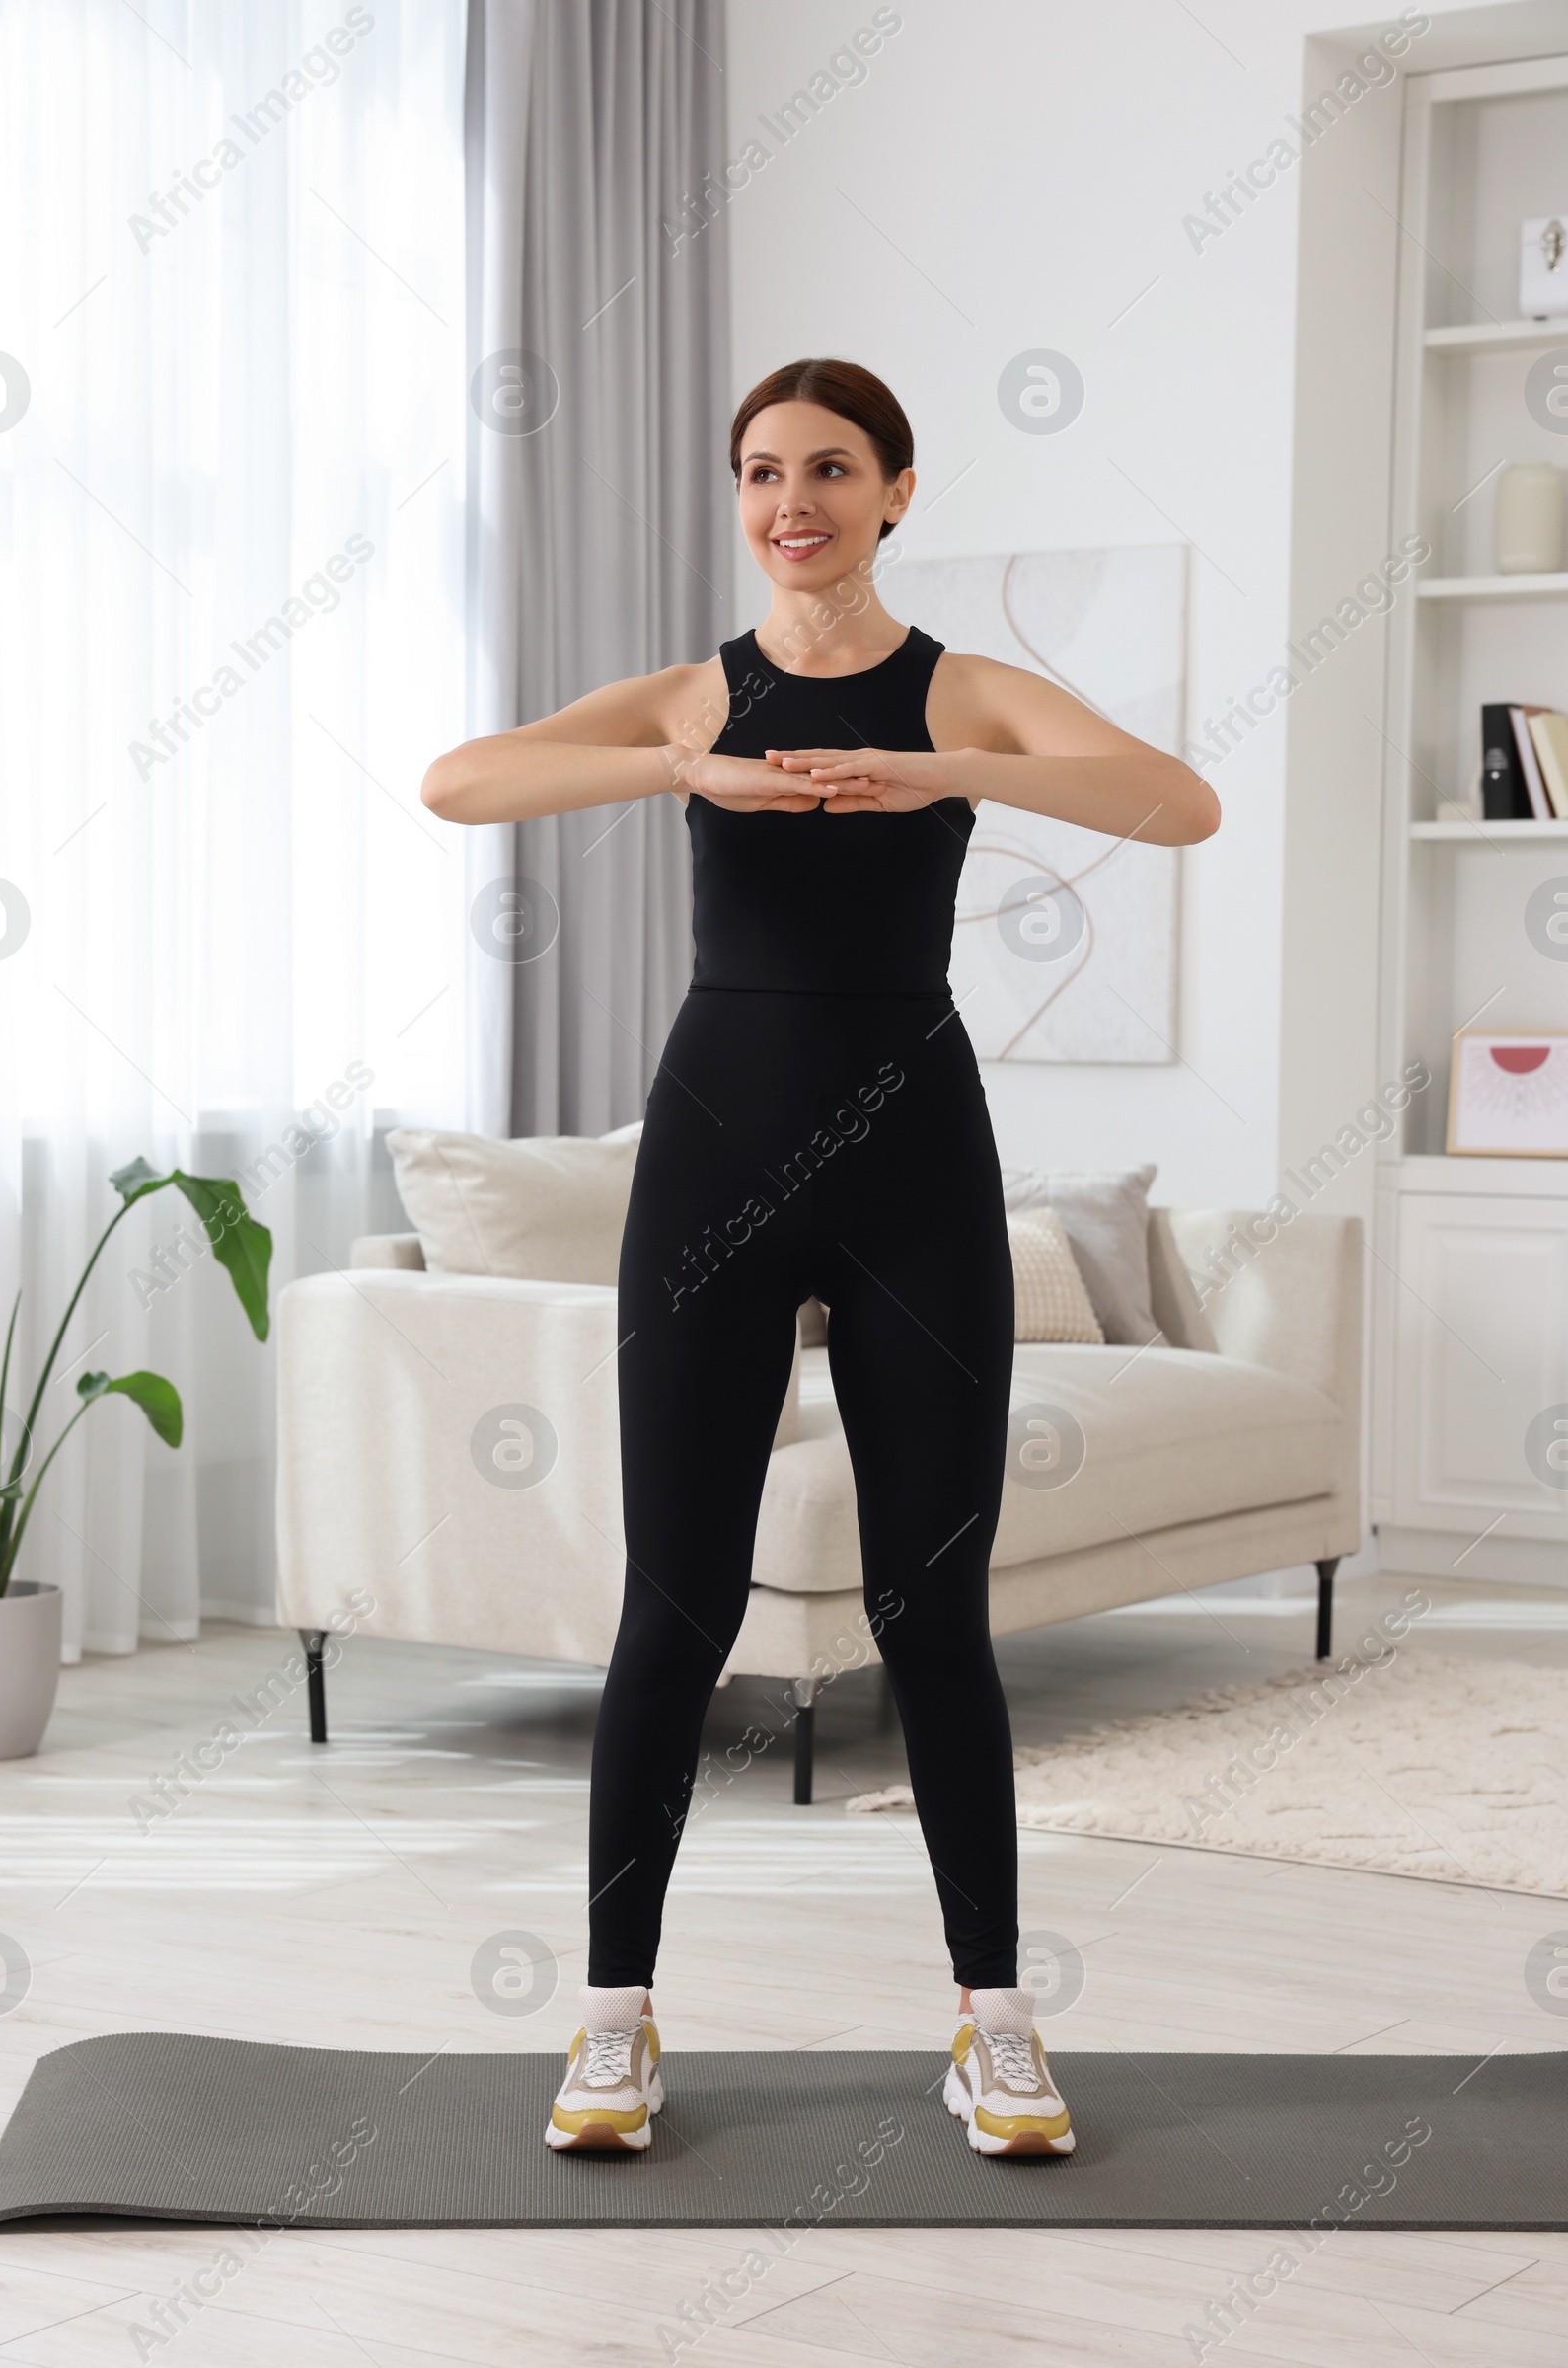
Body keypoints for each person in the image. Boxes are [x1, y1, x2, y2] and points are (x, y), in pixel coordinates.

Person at [422, 356, 1219, 2160]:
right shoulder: (701, 686)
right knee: (674, 1612)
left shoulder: (961, 689)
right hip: (711, 1163)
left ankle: (994, 2022)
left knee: (934, 1614)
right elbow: (459, 782)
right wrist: (685, 763)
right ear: (743, 498)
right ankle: (613, 2019)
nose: (796, 500)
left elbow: (1180, 804)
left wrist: (927, 771)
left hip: (916, 1171)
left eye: (833, 469)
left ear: (900, 492)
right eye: (765, 472)